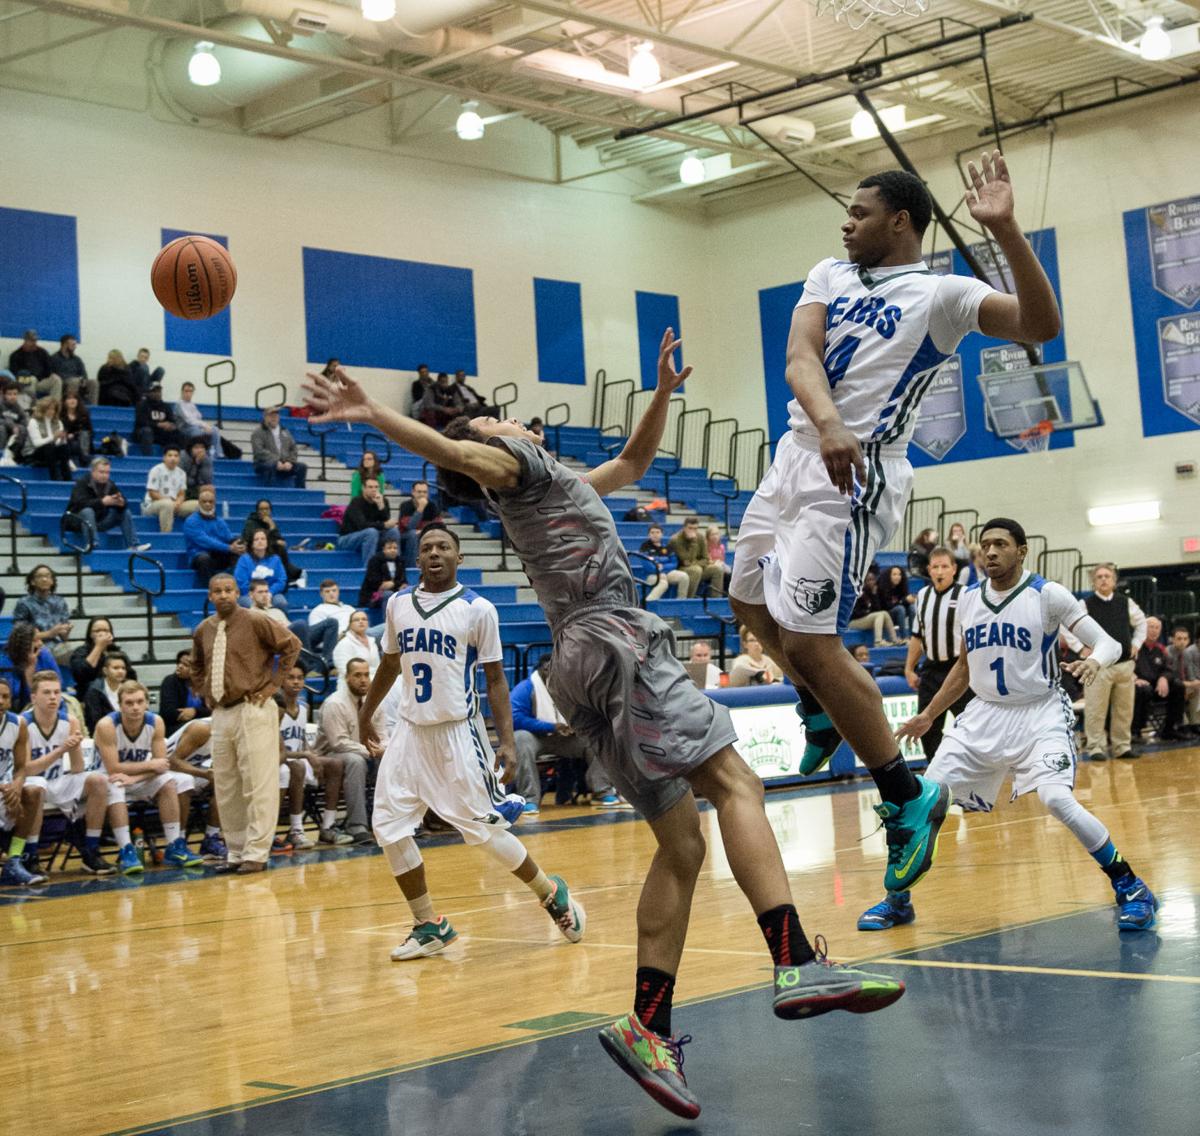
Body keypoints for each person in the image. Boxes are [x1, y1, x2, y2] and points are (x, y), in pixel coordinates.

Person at [306, 342, 906, 1121]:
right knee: (737, 784)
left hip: (581, 665)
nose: (510, 417)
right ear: (498, 447)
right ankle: (794, 959)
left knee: (683, 845)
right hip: (617, 642)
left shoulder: (555, 485)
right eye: (499, 418)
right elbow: (454, 447)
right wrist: (373, 412)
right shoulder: (515, 469)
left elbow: (633, 458)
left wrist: (659, 393)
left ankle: (647, 1026)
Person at [726, 156, 1061, 904]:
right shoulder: (828, 273)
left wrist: (1004, 228)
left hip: (858, 472)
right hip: (799, 450)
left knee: (814, 640)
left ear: (900, 221)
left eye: (859, 212)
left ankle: (905, 794)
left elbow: (1041, 325)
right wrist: (826, 420)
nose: (845, 222)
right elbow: (799, 357)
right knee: (744, 598)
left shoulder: (943, 295)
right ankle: (817, 705)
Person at [859, 518, 1159, 935]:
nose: (991, 551)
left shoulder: (1047, 594)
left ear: (1022, 551)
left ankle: (1131, 886)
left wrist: (1093, 660)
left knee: (1056, 800)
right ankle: (897, 901)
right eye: (985, 545)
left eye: (1001, 544)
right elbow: (965, 666)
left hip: (1039, 712)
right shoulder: (968, 599)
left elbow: (1109, 642)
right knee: (919, 802)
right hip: (984, 714)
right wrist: (929, 714)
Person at [357, 522, 576, 961]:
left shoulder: (479, 609)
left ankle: (550, 892)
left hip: (458, 732)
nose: (434, 553)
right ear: (417, 559)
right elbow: (389, 663)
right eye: (427, 548)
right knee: (388, 826)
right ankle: (428, 924)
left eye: (443, 547)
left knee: (481, 831)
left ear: (460, 558)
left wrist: (507, 742)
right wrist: (366, 712)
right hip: (409, 731)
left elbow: (496, 680)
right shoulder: (398, 604)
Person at [191, 574, 300, 873]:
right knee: (226, 785)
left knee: (258, 783)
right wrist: (202, 691)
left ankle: (257, 853)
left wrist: (274, 684)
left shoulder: (255, 620)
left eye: (228, 590)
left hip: (254, 706)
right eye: (217, 591)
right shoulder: (204, 629)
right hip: (222, 711)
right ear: (210, 596)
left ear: (238, 592)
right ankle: (236, 852)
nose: (223, 595)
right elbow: (196, 664)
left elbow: (292, 645)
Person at [95, 679, 203, 873]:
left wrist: (137, 777)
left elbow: (161, 765)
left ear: (147, 703)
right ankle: (127, 850)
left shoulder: (156, 721)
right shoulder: (107, 725)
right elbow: (113, 767)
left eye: (139, 702)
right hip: (106, 776)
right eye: (129, 703)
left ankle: (173, 846)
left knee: (168, 782)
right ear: (119, 705)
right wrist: (150, 765)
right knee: (115, 783)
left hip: (138, 777)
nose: (135, 707)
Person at [20, 670, 115, 876]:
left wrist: (74, 748)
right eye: (47, 693)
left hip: (58, 779)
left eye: (56, 692)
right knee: (37, 784)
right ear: (33, 697)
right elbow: (26, 768)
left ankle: (91, 850)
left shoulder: (70, 721)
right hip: (29, 784)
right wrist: (61, 750)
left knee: (98, 780)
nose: (53, 697)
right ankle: (31, 855)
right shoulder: (23, 724)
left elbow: (78, 768)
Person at [511, 654, 615, 815]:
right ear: (545, 669)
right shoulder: (526, 688)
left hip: (564, 738)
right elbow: (515, 718)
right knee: (519, 739)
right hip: (536, 737)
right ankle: (529, 799)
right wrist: (551, 726)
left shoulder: (569, 686)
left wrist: (577, 725)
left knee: (597, 738)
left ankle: (602, 792)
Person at [1062, 564, 1145, 761]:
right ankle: (1095, 748)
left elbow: (1142, 622)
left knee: (1124, 710)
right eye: (1099, 577)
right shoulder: (1085, 603)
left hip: (1125, 665)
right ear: (1093, 582)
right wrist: (1080, 649)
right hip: (1099, 667)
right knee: (1095, 709)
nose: (1103, 579)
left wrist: (1136, 643)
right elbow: (1065, 626)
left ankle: (1122, 746)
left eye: (1107, 576)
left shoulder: (1126, 602)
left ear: (1114, 581)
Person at [904, 547, 973, 760]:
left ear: (954, 569)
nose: (940, 571)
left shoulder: (965, 594)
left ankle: (973, 771)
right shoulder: (923, 596)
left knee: (970, 727)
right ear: (929, 570)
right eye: (935, 567)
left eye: (944, 566)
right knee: (927, 728)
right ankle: (937, 774)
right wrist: (908, 668)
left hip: (959, 669)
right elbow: (917, 635)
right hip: (931, 669)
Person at [276, 664, 351, 847]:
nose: (296, 682)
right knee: (298, 766)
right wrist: (307, 755)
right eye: (291, 677)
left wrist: (311, 754)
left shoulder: (304, 707)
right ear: (280, 681)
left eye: (300, 678)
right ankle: (296, 830)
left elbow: (302, 740)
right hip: (279, 761)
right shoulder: (275, 709)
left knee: (335, 764)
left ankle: (328, 827)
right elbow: (276, 751)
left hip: (298, 757)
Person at [314, 658, 384, 845]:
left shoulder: (374, 702)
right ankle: (356, 825)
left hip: (361, 753)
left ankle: (388, 821)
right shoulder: (334, 703)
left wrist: (383, 750)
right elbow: (338, 743)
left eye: (366, 675)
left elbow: (383, 736)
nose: (363, 680)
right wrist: (371, 751)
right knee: (355, 761)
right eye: (357, 675)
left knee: (389, 758)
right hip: (327, 757)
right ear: (346, 678)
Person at [0, 706, 54, 886]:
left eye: (5, 696)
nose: (0, 701)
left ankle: (14, 860)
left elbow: (21, 767)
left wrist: (16, 787)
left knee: (33, 791)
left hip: (6, 787)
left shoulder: (18, 724)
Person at [163, 717, 226, 859]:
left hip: (190, 771)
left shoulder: (232, 731)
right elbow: (172, 762)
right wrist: (205, 774)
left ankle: (211, 838)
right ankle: (178, 841)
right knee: (185, 781)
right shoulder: (202, 728)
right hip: (163, 772)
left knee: (228, 781)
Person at [246, 580, 336, 672]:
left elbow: (291, 627)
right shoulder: (251, 614)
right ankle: (309, 667)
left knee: (331, 622)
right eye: (260, 592)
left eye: (266, 591)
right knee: (300, 624)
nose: (264, 595)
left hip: (293, 638)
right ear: (251, 595)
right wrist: (278, 628)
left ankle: (327, 664)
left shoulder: (276, 611)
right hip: (277, 643)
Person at [68, 456, 149, 552]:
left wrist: (121, 503)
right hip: (78, 521)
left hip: (100, 521)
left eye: (107, 473)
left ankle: (133, 545)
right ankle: (93, 544)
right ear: (93, 471)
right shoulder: (82, 483)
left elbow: (123, 502)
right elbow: (79, 504)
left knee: (124, 512)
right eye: (101, 472)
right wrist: (102, 502)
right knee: (87, 511)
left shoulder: (110, 485)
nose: (104, 475)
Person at [1132, 617, 1185, 741]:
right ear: (1143, 628)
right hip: (1138, 687)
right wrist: (1134, 679)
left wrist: (1164, 678)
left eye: (1157, 628)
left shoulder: (1161, 649)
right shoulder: (1135, 647)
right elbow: (1125, 668)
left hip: (1158, 688)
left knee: (1178, 686)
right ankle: (1135, 731)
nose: (1154, 631)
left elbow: (1169, 670)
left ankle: (1171, 728)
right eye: (1151, 627)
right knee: (1143, 689)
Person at [183, 485, 246, 584]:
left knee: (238, 541)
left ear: (214, 503)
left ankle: (235, 582)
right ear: (199, 503)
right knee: (204, 558)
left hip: (218, 554)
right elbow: (205, 541)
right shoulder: (191, 521)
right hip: (199, 555)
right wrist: (229, 548)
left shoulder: (219, 521)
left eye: (210, 502)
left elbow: (228, 537)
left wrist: (236, 544)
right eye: (204, 501)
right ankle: (208, 589)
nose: (207, 504)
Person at [13, 564, 73, 665]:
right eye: (40, 576)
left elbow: (64, 638)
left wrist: (66, 631)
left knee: (85, 652)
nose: (44, 579)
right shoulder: (24, 603)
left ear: (52, 581)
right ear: (32, 582)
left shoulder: (60, 601)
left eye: (48, 576)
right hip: (34, 647)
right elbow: (20, 635)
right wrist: (50, 633)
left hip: (57, 646)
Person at [337, 476, 400, 566]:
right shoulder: (356, 502)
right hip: (347, 539)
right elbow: (362, 525)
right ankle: (369, 569)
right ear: (364, 488)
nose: (374, 490)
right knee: (371, 532)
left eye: (376, 487)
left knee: (393, 531)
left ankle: (395, 566)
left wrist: (381, 506)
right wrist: (383, 525)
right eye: (370, 487)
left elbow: (387, 522)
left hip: (372, 538)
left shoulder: (383, 501)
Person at [68, 616, 137, 692]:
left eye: (106, 631)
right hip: (89, 694)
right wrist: (99, 646)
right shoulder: (81, 652)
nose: (102, 634)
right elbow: (82, 674)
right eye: (97, 631)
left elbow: (131, 677)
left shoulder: (118, 653)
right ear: (90, 634)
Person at [241, 498, 302, 582]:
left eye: (267, 509)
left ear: (270, 510)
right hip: (254, 551)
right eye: (261, 509)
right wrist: (274, 537)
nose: (264, 512)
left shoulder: (270, 522)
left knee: (280, 548)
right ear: (257, 511)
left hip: (269, 549)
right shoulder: (251, 523)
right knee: (279, 548)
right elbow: (254, 540)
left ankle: (288, 573)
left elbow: (280, 539)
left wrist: (273, 528)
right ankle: (289, 574)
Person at [3, 622, 62, 709]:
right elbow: (13, 695)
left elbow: (57, 683)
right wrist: (29, 668)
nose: (41, 643)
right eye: (36, 640)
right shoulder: (6, 661)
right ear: (23, 644)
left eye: (40, 639)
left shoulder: (44, 655)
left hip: (43, 703)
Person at [141, 445, 197, 533]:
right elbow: (152, 493)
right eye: (170, 455)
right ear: (164, 458)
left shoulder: (181, 473)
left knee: (198, 505)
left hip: (174, 504)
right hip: (153, 504)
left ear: (179, 458)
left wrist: (178, 502)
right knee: (167, 504)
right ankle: (165, 535)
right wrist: (170, 501)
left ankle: (194, 533)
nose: (173, 458)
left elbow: (182, 493)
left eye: (176, 456)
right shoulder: (156, 470)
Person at [251, 406, 307, 489]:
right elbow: (259, 451)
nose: (274, 418)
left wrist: (290, 462)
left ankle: (300, 494)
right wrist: (276, 461)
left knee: (302, 467)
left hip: (284, 464)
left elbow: (293, 448)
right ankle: (269, 492)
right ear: (265, 417)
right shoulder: (258, 432)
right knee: (271, 465)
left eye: (276, 416)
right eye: (271, 416)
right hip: (263, 464)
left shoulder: (285, 431)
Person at [669, 516, 725, 598]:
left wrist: (694, 563)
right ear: (684, 527)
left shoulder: (701, 537)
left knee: (717, 569)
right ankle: (689, 599)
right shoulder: (676, 539)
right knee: (696, 570)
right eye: (690, 528)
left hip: (698, 566)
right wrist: (693, 542)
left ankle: (715, 599)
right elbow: (685, 559)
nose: (692, 531)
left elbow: (706, 559)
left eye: (695, 529)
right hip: (681, 568)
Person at [234, 529, 291, 611]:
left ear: (267, 542)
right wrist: (257, 595)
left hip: (271, 593)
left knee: (281, 603)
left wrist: (269, 593)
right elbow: (241, 582)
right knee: (250, 605)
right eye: (256, 539)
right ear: (252, 544)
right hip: (249, 594)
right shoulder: (244, 559)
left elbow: (281, 580)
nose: (260, 541)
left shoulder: (275, 559)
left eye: (263, 539)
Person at [159, 649, 209, 736]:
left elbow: (212, 710)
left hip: (204, 725)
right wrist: (198, 715)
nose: (180, 666)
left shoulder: (205, 683)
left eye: (186, 665)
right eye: (179, 663)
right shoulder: (170, 681)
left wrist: (194, 712)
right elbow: (168, 712)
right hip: (174, 728)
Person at [639, 524, 689, 602]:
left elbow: (674, 563)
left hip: (666, 573)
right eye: (652, 532)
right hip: (651, 575)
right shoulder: (644, 547)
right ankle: (647, 604)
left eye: (657, 532)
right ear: (649, 535)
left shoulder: (667, 547)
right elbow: (647, 566)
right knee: (663, 583)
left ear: (662, 534)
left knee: (684, 577)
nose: (655, 535)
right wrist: (659, 572)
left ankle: (680, 603)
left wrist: (662, 568)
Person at [83, 651, 131, 732]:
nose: (120, 671)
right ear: (105, 671)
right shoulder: (95, 691)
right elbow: (94, 721)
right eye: (116, 668)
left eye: (123, 668)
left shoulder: (129, 688)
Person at [847, 571, 897, 646]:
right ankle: (878, 642)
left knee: (884, 613)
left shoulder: (874, 592)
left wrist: (874, 595)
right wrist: (867, 612)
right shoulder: (859, 594)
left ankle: (895, 640)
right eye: (869, 580)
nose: (871, 582)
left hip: (867, 619)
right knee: (880, 614)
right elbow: (855, 613)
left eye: (873, 579)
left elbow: (878, 610)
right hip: (854, 621)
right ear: (864, 582)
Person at [8, 329, 59, 403]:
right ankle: (32, 407)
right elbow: (14, 372)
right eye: (31, 341)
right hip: (26, 381)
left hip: (41, 380)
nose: (34, 343)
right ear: (25, 340)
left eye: (35, 341)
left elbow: (49, 368)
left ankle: (55, 405)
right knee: (32, 379)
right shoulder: (16, 355)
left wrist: (46, 376)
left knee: (56, 379)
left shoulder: (42, 352)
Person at [397, 480, 441, 567]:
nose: (422, 494)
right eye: (419, 492)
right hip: (405, 535)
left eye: (425, 492)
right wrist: (420, 509)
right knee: (413, 535)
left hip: (424, 533)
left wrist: (422, 531)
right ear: (413, 492)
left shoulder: (432, 506)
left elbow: (439, 525)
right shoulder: (405, 505)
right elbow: (410, 526)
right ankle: (412, 567)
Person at [26, 396, 71, 480]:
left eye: (54, 409)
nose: (51, 411)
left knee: (64, 448)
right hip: (35, 453)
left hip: (51, 452)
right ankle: (54, 477)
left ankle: (67, 477)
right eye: (49, 409)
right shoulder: (33, 421)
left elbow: (57, 444)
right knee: (49, 447)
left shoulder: (58, 422)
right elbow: (37, 443)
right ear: (42, 409)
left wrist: (62, 439)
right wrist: (53, 437)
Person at [358, 536, 405, 614]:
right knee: (388, 594)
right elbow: (374, 582)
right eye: (389, 548)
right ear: (383, 549)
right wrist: (395, 584)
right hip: (372, 596)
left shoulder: (400, 561)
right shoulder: (375, 561)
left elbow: (403, 581)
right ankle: (388, 624)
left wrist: (393, 584)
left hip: (394, 591)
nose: (393, 550)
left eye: (395, 548)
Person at [332, 610, 380, 683]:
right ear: (350, 624)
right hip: (352, 688)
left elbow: (377, 668)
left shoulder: (372, 642)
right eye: (356, 620)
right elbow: (346, 672)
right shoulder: (343, 644)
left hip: (375, 684)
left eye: (364, 619)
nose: (361, 621)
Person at [174, 381, 222, 454]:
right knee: (197, 431)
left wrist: (206, 426)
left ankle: (216, 453)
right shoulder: (179, 404)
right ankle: (198, 453)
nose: (188, 393)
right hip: (184, 428)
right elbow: (189, 420)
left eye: (190, 391)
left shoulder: (192, 404)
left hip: (194, 427)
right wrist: (204, 426)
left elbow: (198, 418)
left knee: (215, 429)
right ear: (182, 392)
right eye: (186, 391)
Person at [1167, 626, 1200, 729]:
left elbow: (1191, 676)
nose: (1182, 642)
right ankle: (1182, 724)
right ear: (1172, 639)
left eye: (1185, 639)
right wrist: (1186, 686)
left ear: (1189, 640)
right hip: (1170, 688)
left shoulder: (1186, 654)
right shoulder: (1167, 653)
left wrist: (1194, 684)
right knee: (1181, 689)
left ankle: (1195, 724)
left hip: (1183, 685)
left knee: (1197, 688)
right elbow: (1170, 677)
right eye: (1179, 638)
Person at [133, 383, 180, 455]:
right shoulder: (142, 405)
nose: (157, 394)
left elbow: (172, 420)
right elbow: (142, 422)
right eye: (154, 391)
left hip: (160, 434)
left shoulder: (166, 406)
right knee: (147, 431)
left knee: (178, 433)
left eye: (159, 391)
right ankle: (148, 459)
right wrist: (158, 424)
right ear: (149, 393)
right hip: (143, 433)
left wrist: (171, 425)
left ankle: (174, 457)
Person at [50, 334, 94, 404]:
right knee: (74, 381)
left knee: (93, 383)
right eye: (73, 345)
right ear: (65, 345)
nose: (75, 347)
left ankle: (93, 407)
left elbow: (83, 372)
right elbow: (54, 374)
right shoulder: (54, 358)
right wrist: (75, 379)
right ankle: (70, 405)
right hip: (63, 382)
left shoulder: (77, 359)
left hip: (77, 381)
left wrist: (83, 379)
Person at [878, 564, 915, 641]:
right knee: (900, 609)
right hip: (887, 614)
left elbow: (904, 600)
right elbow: (887, 606)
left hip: (900, 612)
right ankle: (904, 637)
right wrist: (904, 601)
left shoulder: (901, 586)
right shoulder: (883, 587)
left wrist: (910, 599)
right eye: (894, 574)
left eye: (899, 574)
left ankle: (913, 636)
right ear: (889, 576)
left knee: (912, 607)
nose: (897, 577)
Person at [60, 387, 92, 466]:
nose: (73, 400)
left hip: (80, 439)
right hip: (66, 440)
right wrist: (67, 435)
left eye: (75, 398)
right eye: (69, 398)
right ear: (64, 401)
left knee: (84, 435)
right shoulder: (60, 415)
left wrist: (74, 435)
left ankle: (84, 458)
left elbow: (90, 431)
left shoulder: (84, 414)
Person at [0, 381, 28, 454]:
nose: (13, 397)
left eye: (15, 394)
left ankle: (14, 454)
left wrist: (17, 427)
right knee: (1, 428)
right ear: (4, 395)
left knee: (22, 429)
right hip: (3, 429)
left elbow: (24, 421)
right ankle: (1, 453)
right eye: (9, 394)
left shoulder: (18, 407)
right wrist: (12, 426)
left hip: (13, 431)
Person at [705, 525, 733, 591]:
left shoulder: (721, 547)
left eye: (717, 534)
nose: (715, 536)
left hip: (720, 565)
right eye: (712, 534)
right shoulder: (705, 546)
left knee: (731, 573)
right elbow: (707, 560)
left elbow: (722, 559)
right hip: (710, 567)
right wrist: (715, 562)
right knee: (725, 574)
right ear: (708, 536)